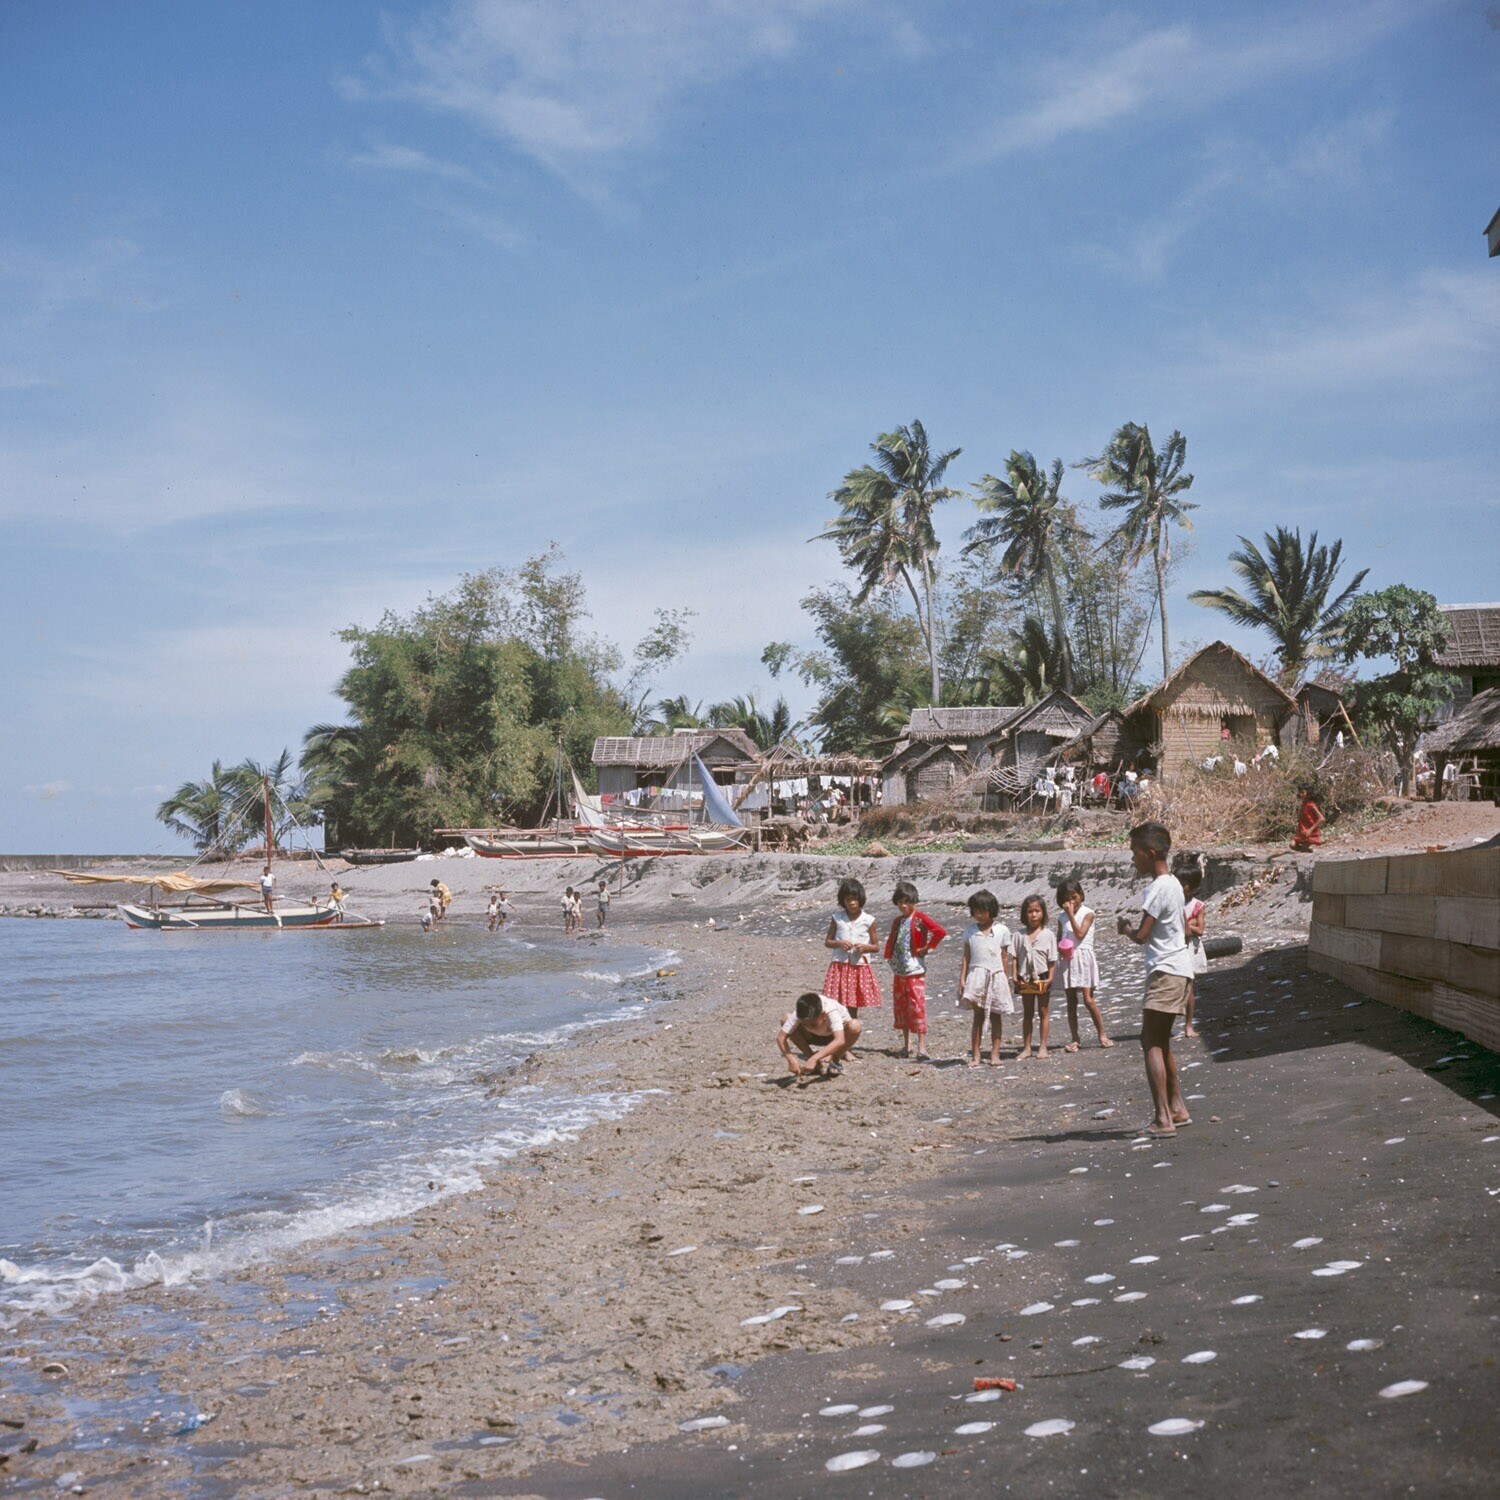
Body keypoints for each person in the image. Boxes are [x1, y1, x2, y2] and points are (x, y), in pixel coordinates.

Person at [1118, 821, 1195, 1137]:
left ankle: (1163, 1119)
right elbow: (1185, 929)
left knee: (1149, 1040)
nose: (1133, 859)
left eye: (1135, 853)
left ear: (1150, 853)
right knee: (1161, 1040)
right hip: (1181, 969)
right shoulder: (1175, 884)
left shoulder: (1156, 888)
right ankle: (1177, 1108)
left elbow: (1142, 935)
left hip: (1164, 971)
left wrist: (1126, 929)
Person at [884, 880, 946, 1061]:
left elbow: (939, 931)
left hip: (915, 969)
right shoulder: (897, 921)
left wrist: (927, 948)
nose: (903, 906)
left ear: (914, 901)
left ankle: (922, 1047)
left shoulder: (920, 918)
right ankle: (907, 1045)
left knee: (917, 1006)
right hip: (899, 970)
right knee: (901, 1007)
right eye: (900, 902)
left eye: (907, 902)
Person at [822, 877, 882, 1052]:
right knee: (835, 1006)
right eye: (848, 899)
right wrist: (839, 943)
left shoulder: (869, 920)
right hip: (839, 967)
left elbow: (876, 947)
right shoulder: (837, 918)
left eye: (855, 899)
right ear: (843, 901)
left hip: (858, 968)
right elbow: (828, 941)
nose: (852, 903)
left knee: (852, 1008)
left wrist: (865, 947)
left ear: (860, 899)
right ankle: (837, 1043)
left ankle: (846, 1047)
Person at [1055, 878, 1111, 1051]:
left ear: (1081, 895)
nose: (1071, 902)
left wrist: (1071, 914)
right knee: (1071, 1001)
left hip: (1084, 957)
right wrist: (1060, 949)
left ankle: (1102, 1034)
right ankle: (1075, 1038)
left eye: (1074, 897)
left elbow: (1079, 933)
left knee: (1088, 999)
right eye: (1067, 899)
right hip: (1069, 958)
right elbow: (1060, 937)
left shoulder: (1088, 913)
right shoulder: (1061, 918)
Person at [958, 889, 1013, 1067]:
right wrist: (962, 979)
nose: (979, 915)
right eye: (975, 911)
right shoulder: (970, 931)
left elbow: (1004, 956)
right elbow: (966, 956)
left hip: (997, 976)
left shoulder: (1002, 930)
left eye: (982, 911)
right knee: (978, 1016)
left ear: (991, 910)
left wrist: (1006, 979)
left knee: (996, 1016)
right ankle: (976, 1055)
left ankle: (995, 1054)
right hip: (976, 976)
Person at [777, 991, 862, 1081]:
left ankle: (834, 1060)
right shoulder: (801, 1011)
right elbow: (780, 1037)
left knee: (855, 1025)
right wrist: (791, 1059)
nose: (809, 1026)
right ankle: (813, 1060)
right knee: (786, 1019)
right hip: (811, 1036)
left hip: (833, 1038)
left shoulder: (831, 1009)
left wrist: (815, 1058)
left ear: (823, 1014)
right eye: (805, 1024)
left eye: (813, 1024)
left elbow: (839, 1040)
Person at [1012, 894, 1058, 1059]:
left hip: (1042, 976)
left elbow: (1052, 960)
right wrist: (1014, 976)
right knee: (1027, 1012)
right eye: (1030, 911)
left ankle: (1043, 1047)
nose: (1033, 915)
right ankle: (1027, 1048)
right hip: (1024, 977)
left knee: (1043, 1011)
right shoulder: (1018, 935)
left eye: (1037, 911)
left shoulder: (1048, 934)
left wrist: (1050, 978)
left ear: (1043, 913)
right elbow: (1015, 957)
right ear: (1024, 914)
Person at [1175, 854, 1209, 1038]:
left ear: (1193, 887)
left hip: (1189, 949)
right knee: (1174, 987)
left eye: (1183, 885)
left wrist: (1185, 924)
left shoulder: (1197, 905)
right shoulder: (1174, 903)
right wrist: (1190, 924)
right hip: (1175, 947)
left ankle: (1188, 1025)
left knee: (1188, 988)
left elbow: (1200, 930)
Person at [1291, 785, 1324, 851]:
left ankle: (1307, 848)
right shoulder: (1303, 804)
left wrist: (1311, 829)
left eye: (1303, 792)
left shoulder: (1311, 805)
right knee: (1292, 845)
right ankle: (1307, 849)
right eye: (1300, 792)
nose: (1301, 794)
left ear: (1308, 793)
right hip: (1302, 831)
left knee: (1303, 849)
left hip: (1310, 833)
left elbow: (1321, 818)